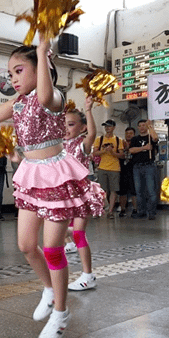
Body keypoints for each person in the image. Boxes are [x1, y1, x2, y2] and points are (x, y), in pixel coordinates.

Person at [0, 37, 96, 338]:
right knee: (25, 245)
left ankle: (61, 312)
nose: (13, 78)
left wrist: (44, 52)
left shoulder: (55, 97)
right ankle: (49, 289)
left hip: (57, 175)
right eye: (10, 74)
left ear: (41, 68)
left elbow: (45, 96)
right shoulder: (17, 103)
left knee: (52, 249)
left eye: (19, 70)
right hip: (32, 175)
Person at [62, 99, 105, 291]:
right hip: (63, 194)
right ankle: (68, 248)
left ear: (82, 128)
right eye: (63, 124)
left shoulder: (82, 144)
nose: (66, 128)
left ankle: (88, 275)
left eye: (71, 125)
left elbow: (93, 134)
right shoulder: (60, 145)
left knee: (78, 233)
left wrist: (88, 109)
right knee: (64, 232)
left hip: (80, 193)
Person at [92, 119, 124, 219]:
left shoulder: (118, 140)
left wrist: (113, 152)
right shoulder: (99, 139)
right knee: (102, 190)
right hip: (102, 167)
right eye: (106, 126)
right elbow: (95, 153)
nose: (107, 128)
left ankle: (110, 211)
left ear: (114, 127)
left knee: (113, 190)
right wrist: (104, 151)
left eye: (109, 126)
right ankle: (100, 209)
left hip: (115, 168)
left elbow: (122, 155)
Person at [129, 119, 159, 220]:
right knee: (139, 191)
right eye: (140, 125)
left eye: (144, 125)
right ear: (137, 127)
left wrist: (150, 126)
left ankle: (151, 212)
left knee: (151, 190)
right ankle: (141, 211)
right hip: (137, 167)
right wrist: (144, 148)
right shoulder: (135, 139)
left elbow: (155, 138)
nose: (142, 127)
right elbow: (131, 150)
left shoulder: (150, 137)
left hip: (149, 165)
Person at [117, 126, 137, 217]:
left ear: (134, 134)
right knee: (122, 190)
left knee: (134, 190)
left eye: (130, 133)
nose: (128, 135)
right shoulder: (120, 144)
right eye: (127, 133)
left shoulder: (137, 144)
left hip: (134, 168)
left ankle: (135, 209)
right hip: (122, 169)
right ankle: (122, 209)